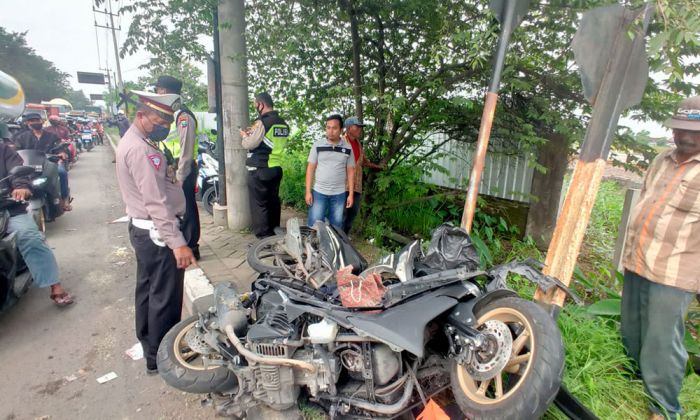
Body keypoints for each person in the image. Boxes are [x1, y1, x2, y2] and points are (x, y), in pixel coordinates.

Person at [621, 95, 700, 420]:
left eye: (692, 131)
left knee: (662, 340)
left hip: (675, 270)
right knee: (632, 329)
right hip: (638, 260)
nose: (684, 136)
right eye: (679, 129)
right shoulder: (661, 160)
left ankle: (664, 408)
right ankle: (633, 380)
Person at [115, 90, 198, 375]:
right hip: (157, 233)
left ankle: (151, 348)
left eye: (167, 120)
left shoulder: (138, 141)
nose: (164, 125)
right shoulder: (140, 150)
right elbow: (155, 202)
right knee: (165, 296)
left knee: (149, 291)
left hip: (144, 231)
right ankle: (164, 356)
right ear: (141, 115)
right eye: (158, 119)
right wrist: (178, 242)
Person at [0, 142, 73, 306]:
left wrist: (20, 187)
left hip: (7, 208)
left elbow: (18, 173)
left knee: (30, 238)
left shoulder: (3, 150)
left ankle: (55, 286)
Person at [155, 75, 201, 259]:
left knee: (187, 208)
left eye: (158, 90)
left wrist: (181, 176)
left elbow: (186, 150)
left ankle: (192, 247)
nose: (157, 93)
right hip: (172, 168)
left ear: (164, 91)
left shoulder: (183, 116)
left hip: (183, 169)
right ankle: (180, 243)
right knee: (176, 208)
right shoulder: (172, 115)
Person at [240, 92, 290, 238]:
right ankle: (275, 234)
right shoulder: (283, 124)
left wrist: (244, 136)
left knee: (260, 205)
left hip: (260, 169)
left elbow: (249, 143)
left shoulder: (262, 122)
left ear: (261, 104)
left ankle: (264, 239)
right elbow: (271, 142)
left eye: (256, 104)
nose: (256, 107)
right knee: (273, 202)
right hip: (276, 168)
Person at [12, 113, 72, 211]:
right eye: (32, 121)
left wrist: (62, 153)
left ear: (41, 121)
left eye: (37, 120)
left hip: (48, 164)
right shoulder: (21, 137)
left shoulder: (51, 136)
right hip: (28, 166)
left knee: (62, 172)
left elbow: (60, 147)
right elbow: (16, 151)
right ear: (27, 123)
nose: (35, 122)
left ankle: (65, 199)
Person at [305, 114, 355, 229]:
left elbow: (351, 172)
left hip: (339, 194)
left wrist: (351, 194)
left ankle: (331, 247)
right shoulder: (317, 145)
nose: (331, 131)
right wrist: (308, 191)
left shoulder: (347, 148)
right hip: (319, 192)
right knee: (314, 225)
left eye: (334, 128)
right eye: (328, 127)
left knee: (336, 227)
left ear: (341, 130)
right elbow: (310, 169)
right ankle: (312, 246)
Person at [341, 117, 383, 234]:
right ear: (349, 128)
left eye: (360, 127)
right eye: (357, 127)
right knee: (341, 214)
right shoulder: (341, 141)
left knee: (352, 213)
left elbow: (363, 161)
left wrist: (377, 166)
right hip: (342, 186)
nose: (360, 129)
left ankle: (344, 237)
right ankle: (336, 239)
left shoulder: (358, 143)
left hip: (356, 186)